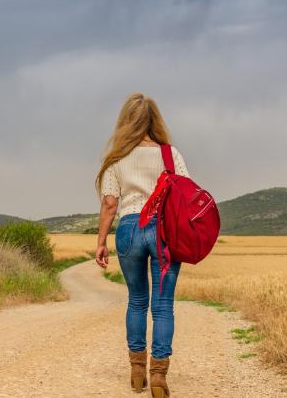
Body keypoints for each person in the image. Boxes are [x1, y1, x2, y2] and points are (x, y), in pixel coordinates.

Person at [94, 92, 189, 398]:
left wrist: (101, 243)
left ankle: (137, 372)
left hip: (130, 229)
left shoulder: (118, 159)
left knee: (136, 300)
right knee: (163, 306)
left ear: (125, 122)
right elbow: (185, 194)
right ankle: (158, 375)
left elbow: (110, 204)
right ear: (155, 120)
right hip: (163, 232)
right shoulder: (169, 154)